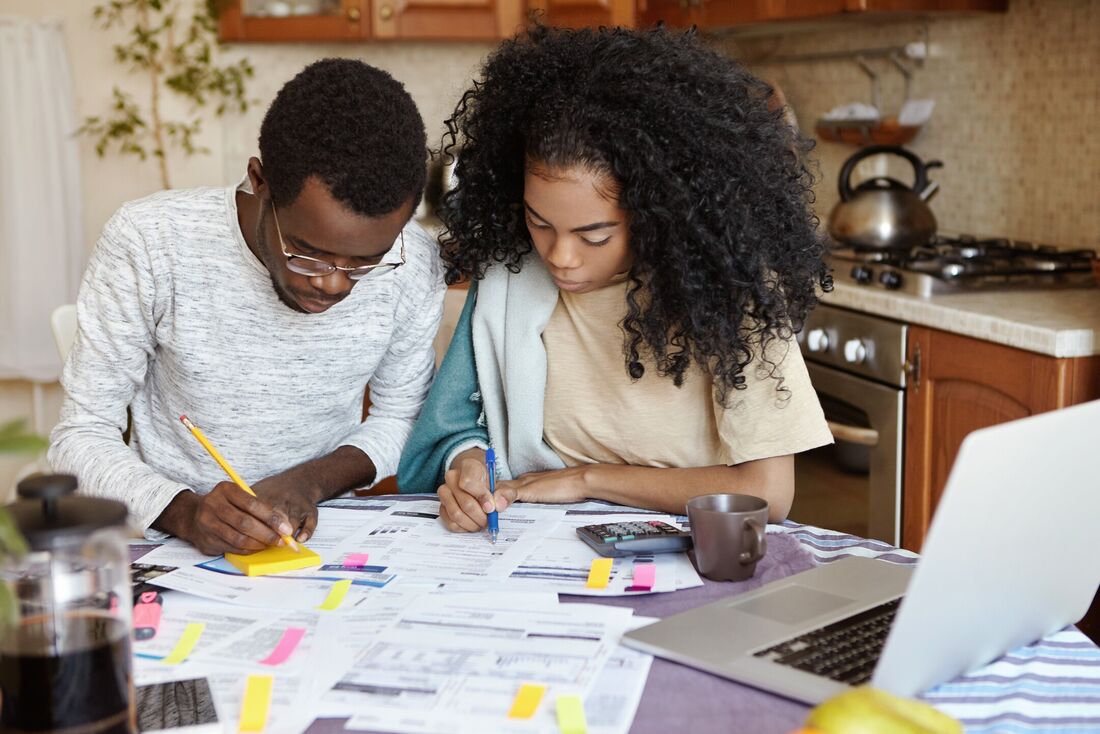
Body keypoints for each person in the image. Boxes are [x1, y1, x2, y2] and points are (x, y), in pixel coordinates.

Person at [397, 24, 833, 532]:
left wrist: (588, 480)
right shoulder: (509, 276)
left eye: (595, 236)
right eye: (539, 222)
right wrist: (467, 466)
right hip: (535, 542)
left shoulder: (727, 292)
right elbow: (456, 429)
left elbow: (768, 493)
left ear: (657, 213)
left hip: (691, 543)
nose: (560, 256)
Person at [50, 59, 445, 555]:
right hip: (170, 542)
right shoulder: (152, 241)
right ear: (260, 182)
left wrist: (310, 481)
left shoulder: (415, 260)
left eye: (368, 261)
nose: (334, 283)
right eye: (308, 252)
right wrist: (186, 513)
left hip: (324, 539)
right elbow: (79, 436)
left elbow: (403, 418)